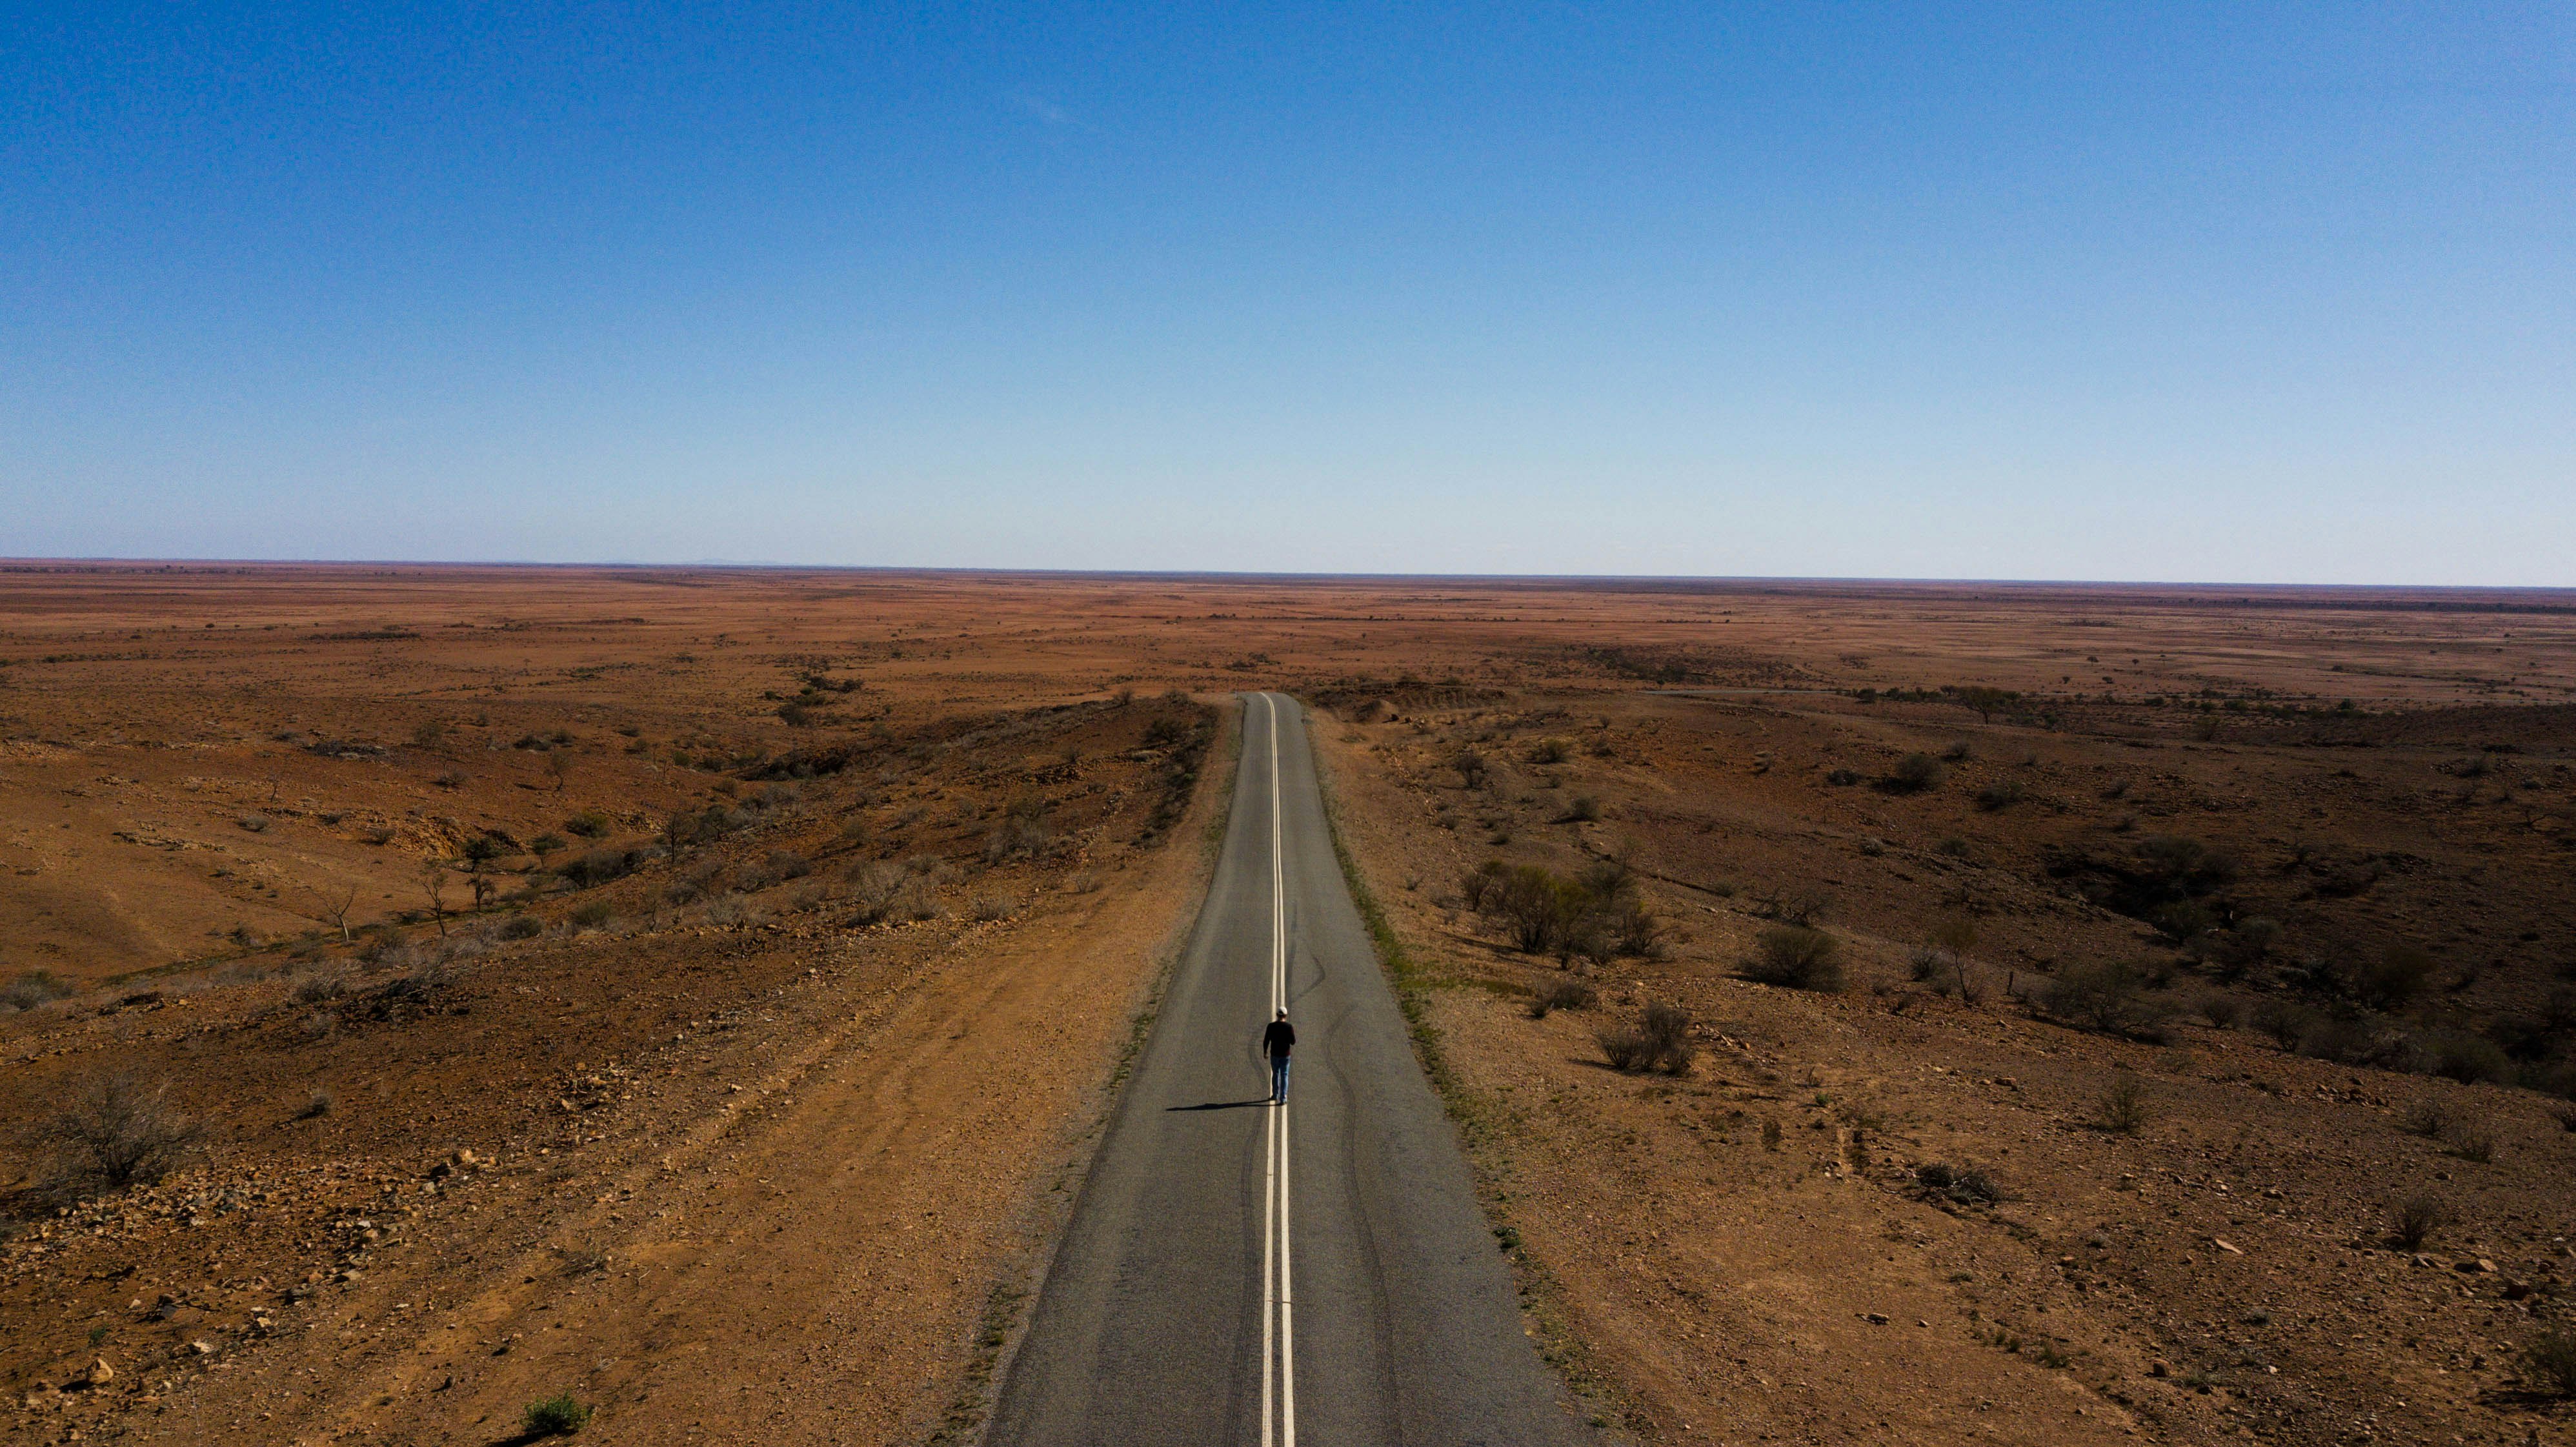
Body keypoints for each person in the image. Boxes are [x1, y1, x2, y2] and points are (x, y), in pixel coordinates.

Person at [1262, 1009, 1295, 1104]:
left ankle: (1275, 1095)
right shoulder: (1289, 1027)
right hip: (1285, 1055)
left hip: (1275, 1055)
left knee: (1275, 1074)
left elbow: (1266, 1040)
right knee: (1284, 1075)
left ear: (1277, 1015)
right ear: (1286, 1015)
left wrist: (1265, 1052)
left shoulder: (1271, 1026)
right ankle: (1283, 1098)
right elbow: (1293, 1042)